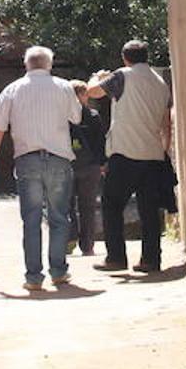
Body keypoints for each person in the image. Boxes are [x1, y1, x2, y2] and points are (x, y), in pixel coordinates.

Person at [0, 46, 81, 291]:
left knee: (31, 219)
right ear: (50, 64)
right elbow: (76, 117)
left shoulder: (12, 89)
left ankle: (34, 277)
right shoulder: (64, 86)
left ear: (26, 65)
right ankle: (58, 271)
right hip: (58, 159)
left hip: (27, 160)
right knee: (59, 217)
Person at [86, 39, 172, 273]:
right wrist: (164, 149)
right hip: (153, 153)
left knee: (111, 204)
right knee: (149, 210)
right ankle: (151, 260)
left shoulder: (122, 75)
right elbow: (166, 123)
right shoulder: (160, 82)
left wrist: (98, 77)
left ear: (125, 58)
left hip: (125, 152)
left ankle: (115, 258)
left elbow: (91, 91)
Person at [67, 79, 106, 256]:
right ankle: (87, 245)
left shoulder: (63, 116)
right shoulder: (93, 115)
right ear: (82, 95)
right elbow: (100, 141)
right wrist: (102, 163)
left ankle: (70, 238)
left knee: (66, 205)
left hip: (67, 165)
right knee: (88, 207)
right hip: (90, 166)